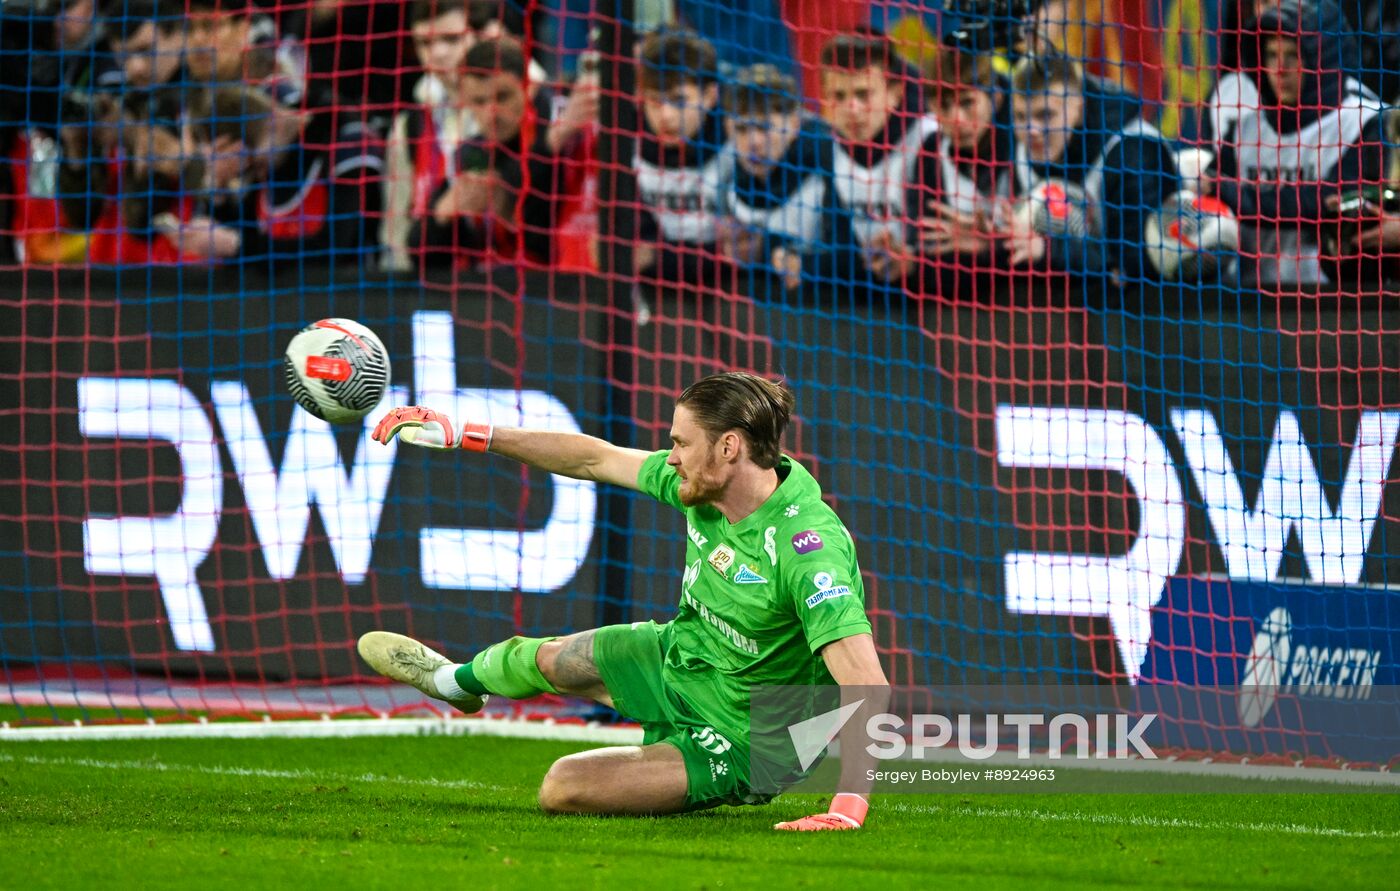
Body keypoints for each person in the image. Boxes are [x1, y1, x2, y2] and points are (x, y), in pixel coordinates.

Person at [360, 371, 889, 828]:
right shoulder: (705, 486)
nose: (671, 458)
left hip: (752, 737)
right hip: (685, 659)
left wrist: (848, 806)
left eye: (681, 443)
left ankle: (684, 762)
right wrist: (469, 434)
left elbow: (867, 683)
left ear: (729, 447)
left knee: (564, 786)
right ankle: (450, 682)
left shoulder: (806, 551)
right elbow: (595, 458)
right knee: (548, 658)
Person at [1214, 0, 1387, 288]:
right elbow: (1216, 189)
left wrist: (1240, 197)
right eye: (1272, 55)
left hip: (1328, 297)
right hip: (1249, 297)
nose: (1280, 69)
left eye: (1293, 56)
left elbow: (1330, 202)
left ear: (1321, 61)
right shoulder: (1245, 129)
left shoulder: (1362, 122)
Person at [410, 36, 592, 269]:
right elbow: (417, 251)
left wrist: (553, 141)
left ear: (529, 87)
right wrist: (443, 213)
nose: (491, 113)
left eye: (502, 97)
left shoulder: (574, 129)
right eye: (479, 101)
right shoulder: (473, 152)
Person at [1007, 54, 1180, 288]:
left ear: (1078, 108)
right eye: (1020, 116)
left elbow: (1135, 273)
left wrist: (1049, 250)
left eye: (1045, 115)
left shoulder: (1135, 154)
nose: (1032, 131)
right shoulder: (1023, 149)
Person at [182, 83, 384, 262]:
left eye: (257, 164)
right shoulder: (267, 152)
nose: (258, 174)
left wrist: (235, 245)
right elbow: (249, 238)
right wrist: (218, 184)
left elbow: (337, 248)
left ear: (274, 124)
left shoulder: (348, 140)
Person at [716, 64, 857, 298]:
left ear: (793, 124)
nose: (753, 142)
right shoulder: (726, 175)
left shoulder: (831, 163)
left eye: (764, 127)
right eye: (741, 129)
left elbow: (850, 258)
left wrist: (768, 249)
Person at [817, 33, 939, 291]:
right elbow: (837, 244)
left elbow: (939, 250)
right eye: (838, 96)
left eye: (864, 94)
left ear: (894, 93)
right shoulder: (830, 148)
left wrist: (910, 261)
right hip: (865, 299)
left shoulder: (929, 140)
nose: (852, 109)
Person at [381, 0, 482, 271]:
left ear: (481, 36)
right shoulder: (408, 126)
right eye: (424, 43)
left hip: (507, 280)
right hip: (429, 281)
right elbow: (396, 232)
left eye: (451, 39)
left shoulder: (516, 113)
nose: (437, 53)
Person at [632, 28, 732, 285]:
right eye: (654, 101)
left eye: (679, 100)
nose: (665, 115)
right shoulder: (627, 139)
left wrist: (657, 257)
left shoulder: (739, 140)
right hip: (657, 291)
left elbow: (740, 254)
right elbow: (635, 246)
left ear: (710, 95)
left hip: (734, 293)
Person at [919, 47, 1018, 298]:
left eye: (967, 103)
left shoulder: (1026, 146)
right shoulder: (930, 154)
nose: (957, 120)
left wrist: (990, 248)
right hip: (958, 303)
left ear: (995, 99)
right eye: (944, 106)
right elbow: (932, 260)